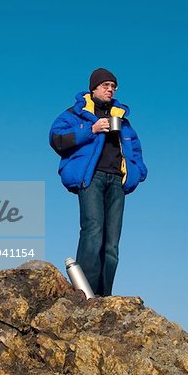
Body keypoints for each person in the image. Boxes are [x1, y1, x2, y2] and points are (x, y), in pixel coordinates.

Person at [49, 68, 147, 296]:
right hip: (91, 178)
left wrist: (138, 172)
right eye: (106, 86)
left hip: (116, 181)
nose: (110, 90)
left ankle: (103, 296)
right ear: (94, 88)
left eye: (113, 86)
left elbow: (136, 148)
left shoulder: (122, 119)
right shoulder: (76, 114)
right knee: (93, 232)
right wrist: (91, 129)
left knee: (111, 244)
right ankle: (83, 292)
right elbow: (56, 138)